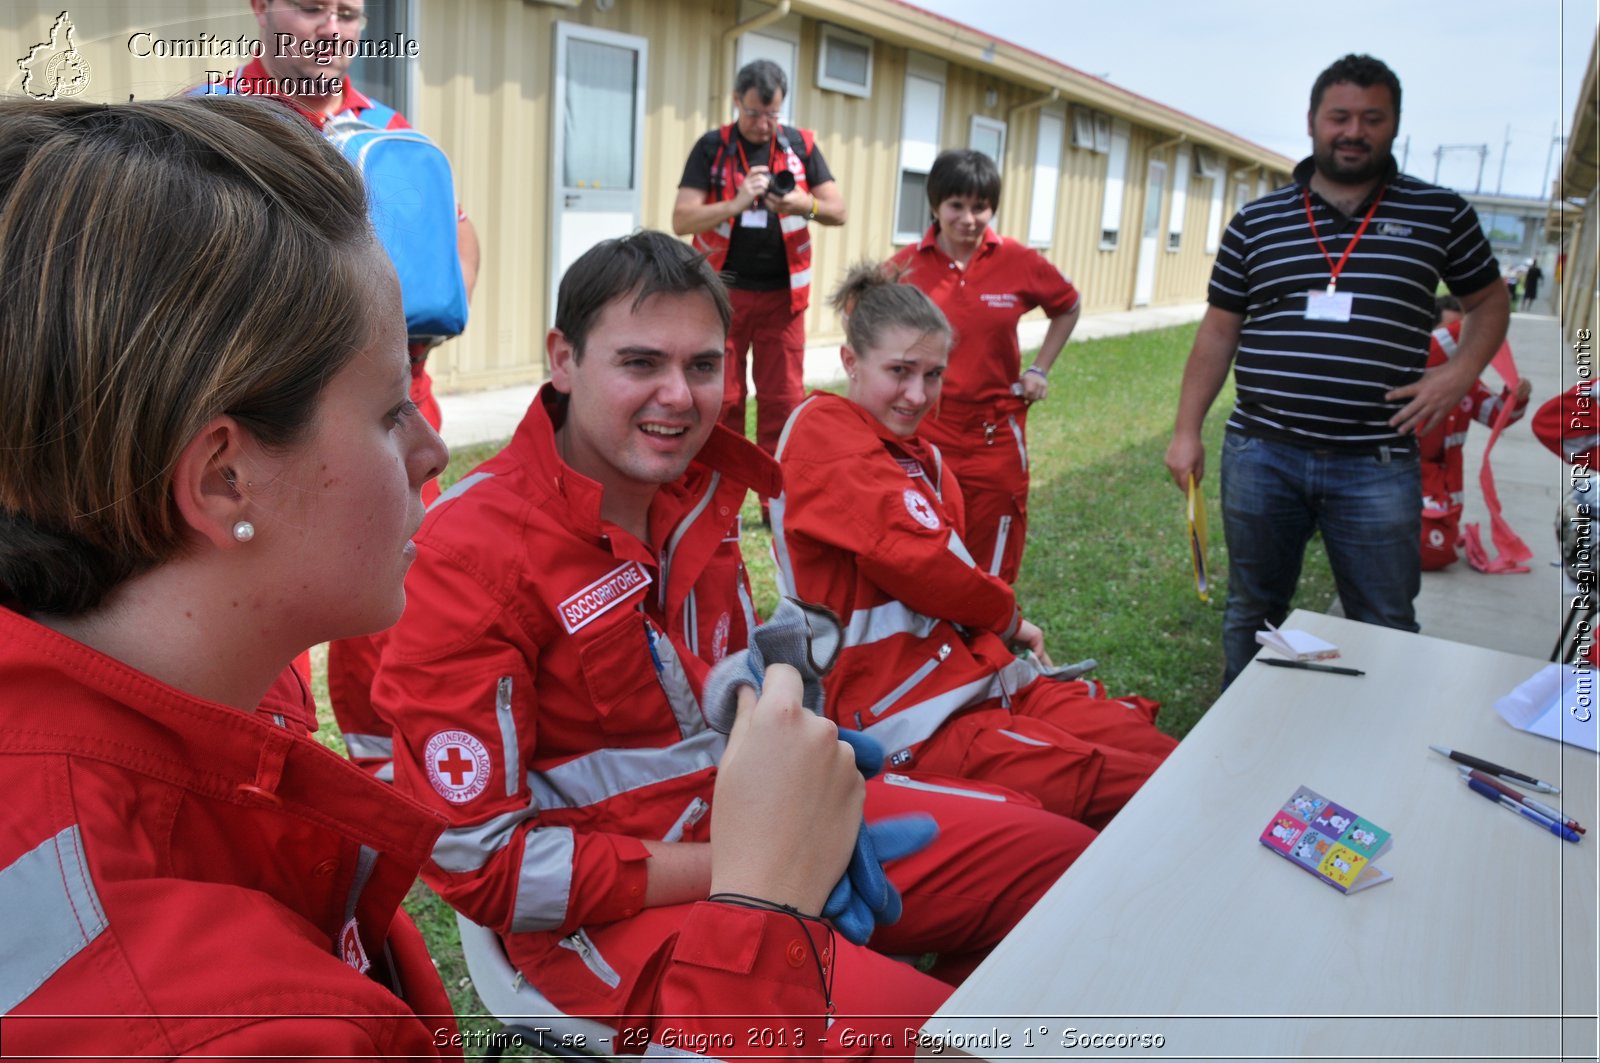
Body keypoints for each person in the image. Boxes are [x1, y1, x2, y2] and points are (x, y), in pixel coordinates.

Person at [369, 232, 1090, 1057]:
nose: (679, 396)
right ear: (562, 359)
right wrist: (753, 866)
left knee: (1065, 867)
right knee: (962, 1043)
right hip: (617, 915)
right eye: (641, 362)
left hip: (759, 826)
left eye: (704, 366)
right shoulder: (470, 553)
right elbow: (484, 866)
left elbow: (726, 668)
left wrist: (779, 717)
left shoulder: (699, 488)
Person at [0, 94, 460, 1057]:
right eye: (389, 411)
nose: (433, 448)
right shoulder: (231, 1028)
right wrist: (764, 912)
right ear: (222, 478)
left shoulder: (211, 677)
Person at [772, 264, 1174, 828]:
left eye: (933, 374)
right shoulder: (823, 432)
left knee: (1159, 754)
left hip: (980, 680)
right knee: (1133, 787)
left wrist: (1001, 630)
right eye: (900, 371)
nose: (918, 394)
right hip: (915, 720)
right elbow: (923, 564)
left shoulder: (921, 459)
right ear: (849, 362)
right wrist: (1010, 617)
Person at [200, 0, 483, 775]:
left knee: (384, 590)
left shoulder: (396, 135)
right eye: (310, 7)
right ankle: (258, 768)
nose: (331, 28)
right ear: (261, 6)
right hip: (263, 418)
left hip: (394, 408)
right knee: (249, 598)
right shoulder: (207, 123)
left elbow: (459, 239)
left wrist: (424, 315)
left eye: (349, 12)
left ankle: (375, 770)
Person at [1163, 53, 1509, 686]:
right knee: (1254, 611)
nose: (1354, 131)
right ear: (1312, 121)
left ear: (1395, 125)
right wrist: (1187, 431)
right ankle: (1246, 731)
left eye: (1371, 118)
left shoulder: (1441, 214)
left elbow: (1489, 300)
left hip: (1375, 461)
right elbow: (1219, 329)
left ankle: (1374, 742)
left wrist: (1459, 374)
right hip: (1263, 452)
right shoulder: (1257, 221)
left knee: (1384, 617)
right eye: (1340, 116)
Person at [889, 149, 1081, 584]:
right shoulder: (903, 267)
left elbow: (1068, 306)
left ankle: (990, 640)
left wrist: (1040, 369)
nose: (969, 218)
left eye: (981, 207)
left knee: (993, 541)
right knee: (921, 536)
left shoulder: (1018, 260)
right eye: (957, 205)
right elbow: (860, 318)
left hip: (995, 431)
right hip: (925, 427)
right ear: (936, 205)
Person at [673, 59, 846, 460]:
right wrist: (734, 203)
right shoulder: (713, 147)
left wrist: (802, 203)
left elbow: (838, 211)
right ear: (736, 100)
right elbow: (681, 219)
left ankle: (778, 503)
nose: (763, 123)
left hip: (782, 301)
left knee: (783, 402)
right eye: (753, 113)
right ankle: (720, 503)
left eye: (772, 114)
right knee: (722, 400)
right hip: (720, 299)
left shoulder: (799, 145)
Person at [1418, 296, 1531, 570]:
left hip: (1446, 484)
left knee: (1437, 551)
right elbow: (1435, 347)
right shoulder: (1412, 371)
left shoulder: (1467, 383)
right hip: (1409, 476)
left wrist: (1516, 398)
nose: (1460, 347)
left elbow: (1497, 416)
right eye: (1454, 335)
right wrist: (1481, 322)